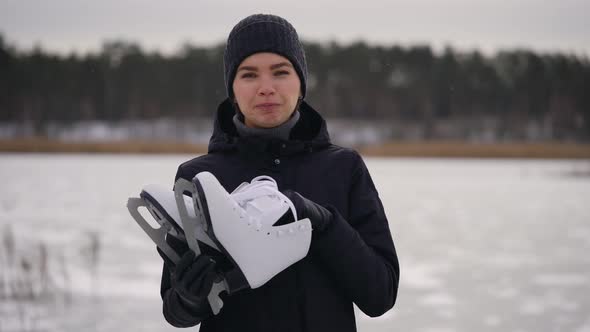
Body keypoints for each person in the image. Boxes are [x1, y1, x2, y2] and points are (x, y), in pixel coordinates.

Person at [158, 13, 400, 332]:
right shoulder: (199, 177)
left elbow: (380, 294)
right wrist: (190, 298)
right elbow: (177, 313)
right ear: (232, 89)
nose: (266, 88)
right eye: (249, 75)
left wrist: (324, 224)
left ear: (301, 83)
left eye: (280, 72)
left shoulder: (344, 168)